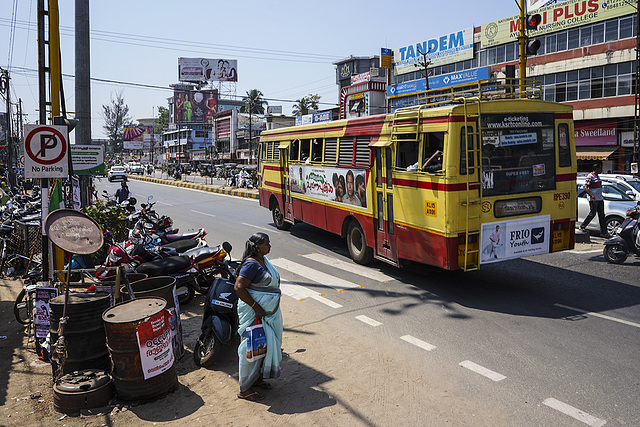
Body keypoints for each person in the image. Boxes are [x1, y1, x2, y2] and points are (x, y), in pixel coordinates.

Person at [234, 233, 283, 401]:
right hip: (256, 314)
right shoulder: (251, 265)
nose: (270, 246)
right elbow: (239, 288)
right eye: (267, 244)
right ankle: (244, 389)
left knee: (264, 346)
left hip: (268, 315)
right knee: (250, 349)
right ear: (257, 247)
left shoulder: (262, 261)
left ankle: (256, 378)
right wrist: (256, 307)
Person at [579, 162, 608, 237]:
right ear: (596, 169)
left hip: (599, 198)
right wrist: (592, 196)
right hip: (594, 199)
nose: (601, 170)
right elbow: (586, 188)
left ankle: (604, 232)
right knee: (593, 213)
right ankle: (582, 226)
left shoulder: (598, 176)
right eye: (600, 168)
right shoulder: (590, 176)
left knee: (602, 215)